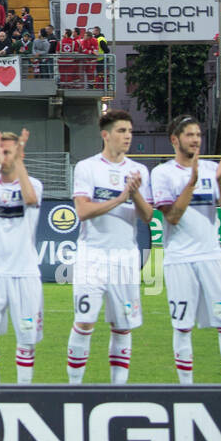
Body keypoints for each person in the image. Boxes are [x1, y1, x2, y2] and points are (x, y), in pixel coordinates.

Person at [151, 117, 221, 383]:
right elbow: (172, 217)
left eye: (198, 134)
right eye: (190, 135)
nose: (196, 139)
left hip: (212, 256)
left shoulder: (211, 169)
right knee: (182, 326)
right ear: (174, 140)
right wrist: (191, 183)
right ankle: (186, 389)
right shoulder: (163, 173)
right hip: (179, 258)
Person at [67, 109, 152, 384]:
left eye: (129, 131)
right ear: (105, 135)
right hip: (92, 256)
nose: (127, 136)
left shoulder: (139, 171)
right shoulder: (87, 167)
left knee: (123, 326)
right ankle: (73, 388)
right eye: (121, 131)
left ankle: (119, 390)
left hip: (125, 257)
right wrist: (121, 197)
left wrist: (135, 194)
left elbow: (148, 216)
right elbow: (82, 211)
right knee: (84, 322)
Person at [0, 129, 43, 383]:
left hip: (24, 274)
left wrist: (18, 159)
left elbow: (31, 199)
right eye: (0, 149)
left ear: (19, 153)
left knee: (26, 339)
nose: (4, 155)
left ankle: (23, 392)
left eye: (9, 150)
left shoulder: (33, 184)